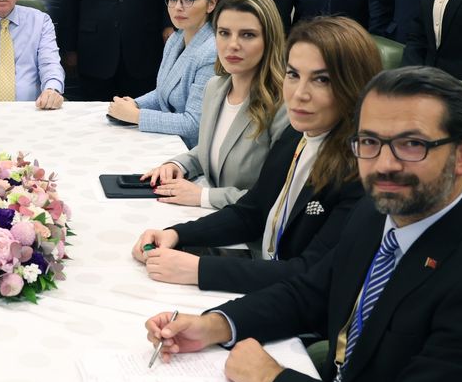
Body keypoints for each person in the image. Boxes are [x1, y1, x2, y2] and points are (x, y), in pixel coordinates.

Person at [144, 67, 462, 382]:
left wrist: (272, 380)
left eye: (412, 144)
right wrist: (215, 325)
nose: (384, 165)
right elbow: (310, 293)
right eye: (369, 142)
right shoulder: (379, 211)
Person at [133, 16, 379, 293]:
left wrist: (200, 270)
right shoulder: (296, 136)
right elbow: (251, 212)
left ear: (354, 86)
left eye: (321, 80)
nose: (299, 94)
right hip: (268, 279)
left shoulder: (362, 171)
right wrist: (176, 233)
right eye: (293, 75)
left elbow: (311, 272)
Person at [142, 0, 289, 209]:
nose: (233, 44)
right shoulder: (215, 87)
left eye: (248, 35)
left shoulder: (283, 106)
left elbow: (277, 200)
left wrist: (205, 196)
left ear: (270, 40)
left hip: (245, 227)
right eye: (224, 33)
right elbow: (213, 150)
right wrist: (178, 165)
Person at [107, 0, 221, 147]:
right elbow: (163, 93)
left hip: (193, 150)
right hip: (168, 139)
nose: (177, 7)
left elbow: (194, 124)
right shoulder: (175, 38)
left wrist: (137, 115)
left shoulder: (212, 51)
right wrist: (135, 104)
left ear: (211, 3)